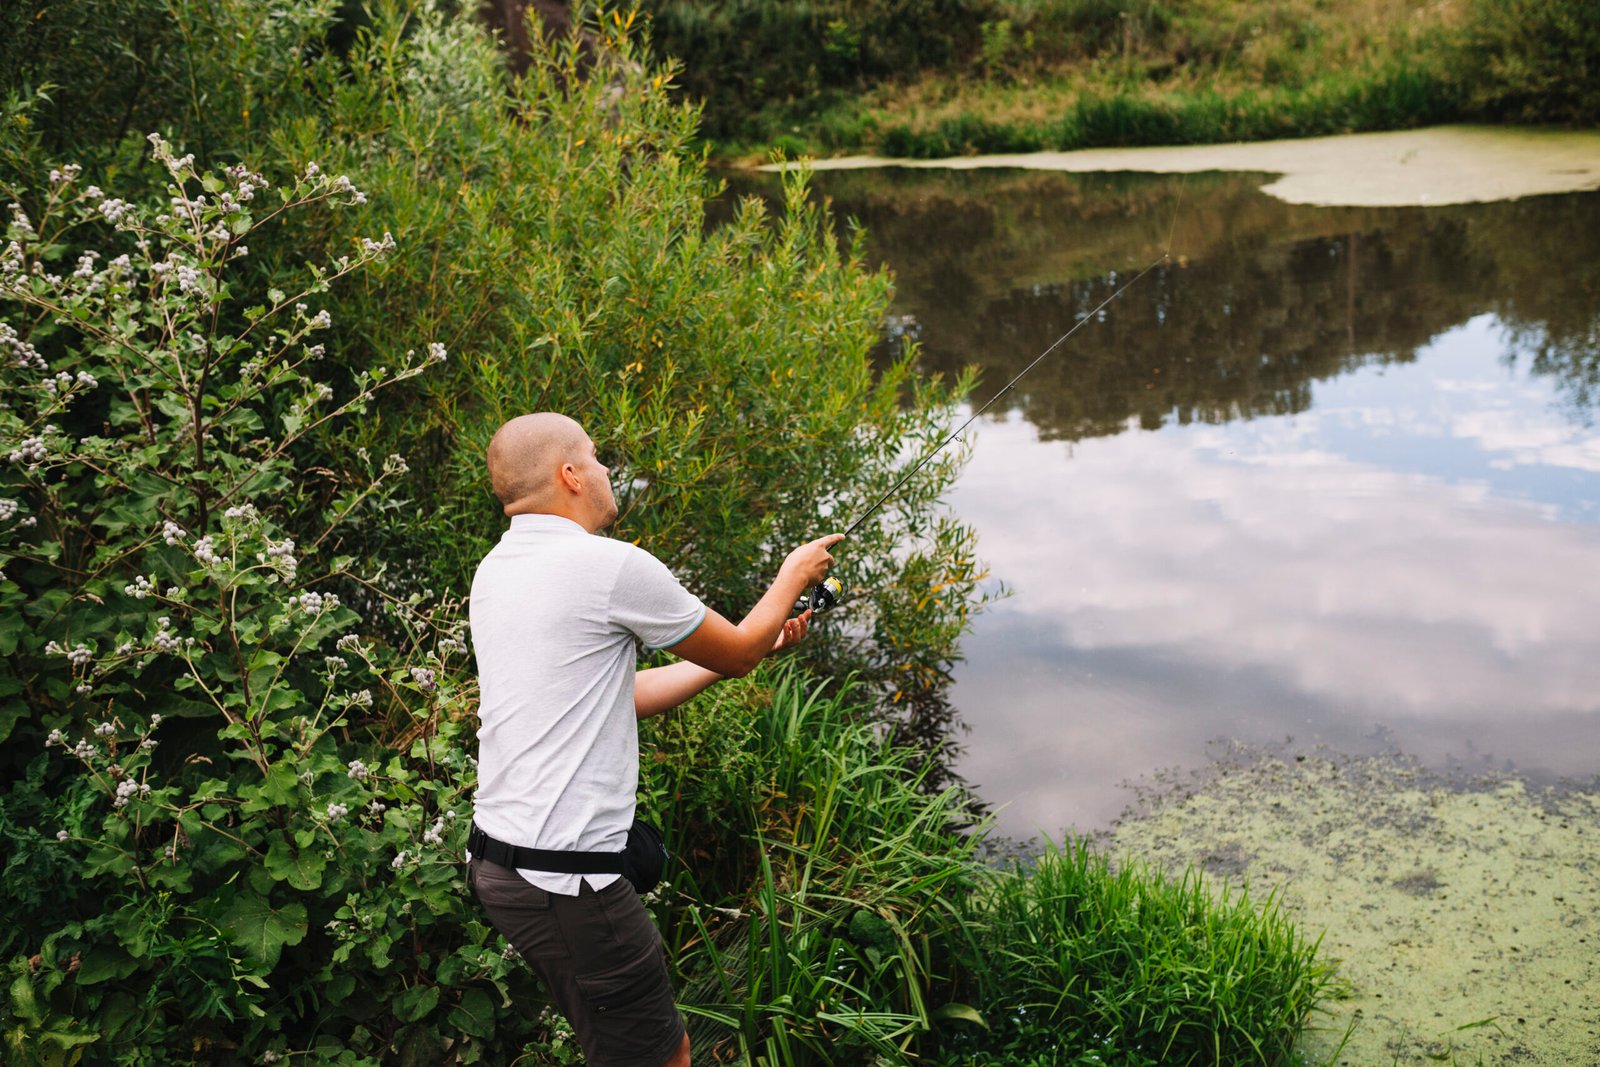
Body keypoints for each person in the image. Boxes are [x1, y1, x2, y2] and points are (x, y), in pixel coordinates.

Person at [466, 412, 842, 1067]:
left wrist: (747, 644)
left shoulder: (497, 570)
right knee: (666, 1057)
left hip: (501, 867)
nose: (609, 470)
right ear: (570, 474)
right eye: (596, 456)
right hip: (567, 878)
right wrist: (793, 574)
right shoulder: (607, 565)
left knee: (613, 1048)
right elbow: (741, 653)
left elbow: (621, 695)